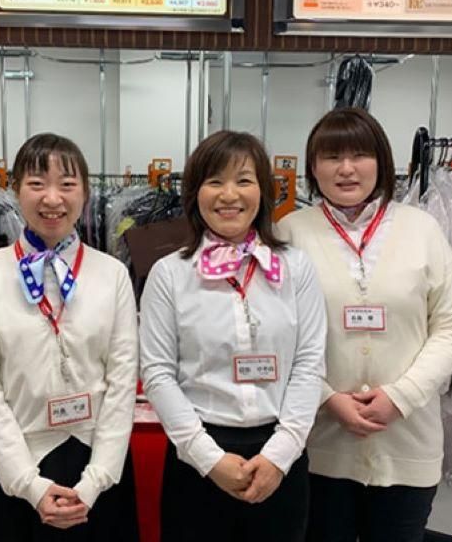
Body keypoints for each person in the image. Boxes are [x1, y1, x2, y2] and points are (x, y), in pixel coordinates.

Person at [276, 108, 452, 542]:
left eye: (359, 155)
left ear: (382, 162)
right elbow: (278, 335)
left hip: (408, 440)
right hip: (320, 443)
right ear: (313, 167)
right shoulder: (289, 233)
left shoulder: (422, 229)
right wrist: (328, 398)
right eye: (332, 157)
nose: (346, 169)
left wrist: (401, 396)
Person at [139, 130, 327, 542]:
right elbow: (157, 373)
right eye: (214, 181)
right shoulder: (170, 274)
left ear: (263, 190)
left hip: (280, 455)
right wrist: (208, 459)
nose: (229, 195)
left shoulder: (295, 268)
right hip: (197, 457)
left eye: (243, 180)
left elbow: (310, 363)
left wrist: (279, 455)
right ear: (195, 193)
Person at [0, 133, 139, 542]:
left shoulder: (112, 274)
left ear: (85, 193)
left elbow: (123, 379)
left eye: (67, 184)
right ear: (15, 190)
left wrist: (96, 479)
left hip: (96, 465)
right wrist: (29, 484)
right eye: (37, 183)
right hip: (14, 466)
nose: (52, 198)